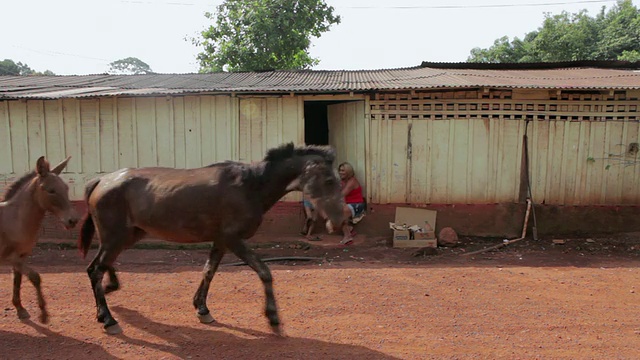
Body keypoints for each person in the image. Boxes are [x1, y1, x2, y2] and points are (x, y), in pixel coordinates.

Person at [337, 162, 365, 245]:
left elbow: (341, 195)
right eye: (340, 170)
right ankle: (349, 228)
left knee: (342, 212)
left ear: (348, 172)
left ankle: (347, 236)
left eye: (343, 171)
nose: (340, 172)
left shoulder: (352, 181)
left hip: (357, 205)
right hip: (348, 204)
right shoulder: (342, 181)